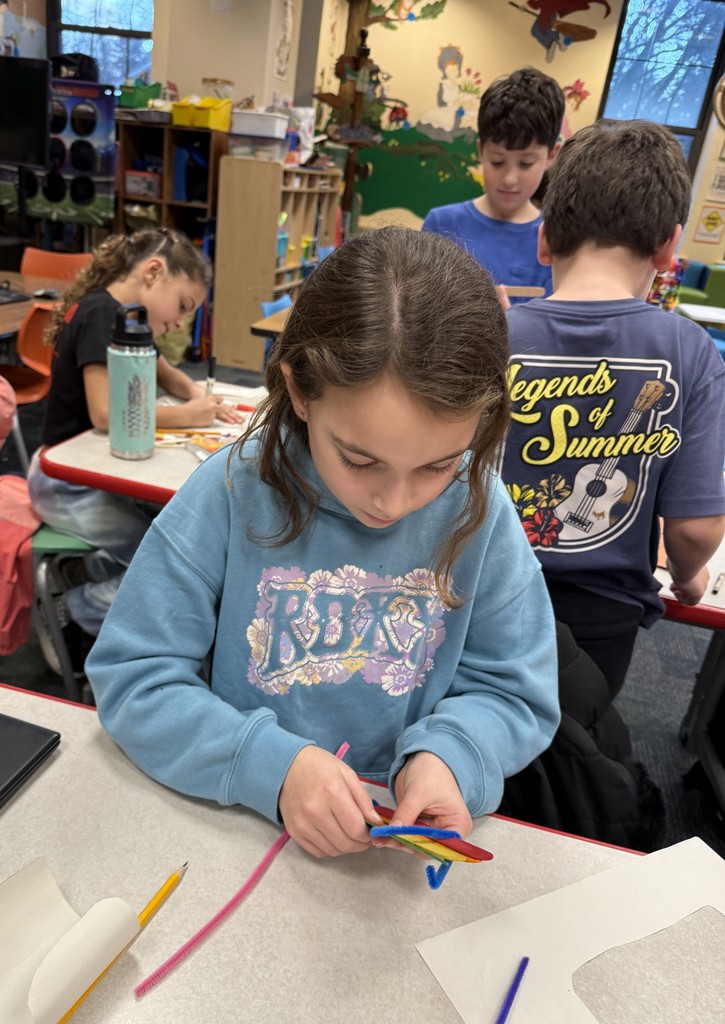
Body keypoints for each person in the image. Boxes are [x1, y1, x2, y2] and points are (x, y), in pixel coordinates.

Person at [86, 227, 560, 860]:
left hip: (391, 854)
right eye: (360, 461)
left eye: (437, 465)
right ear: (300, 390)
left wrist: (453, 756)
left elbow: (514, 691)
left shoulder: (481, 509)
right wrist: (272, 769)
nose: (392, 503)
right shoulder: (232, 490)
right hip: (238, 832)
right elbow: (133, 677)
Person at [501, 119, 725, 698]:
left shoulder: (491, 334)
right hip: (603, 619)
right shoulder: (690, 351)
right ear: (669, 246)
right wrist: (687, 577)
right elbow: (695, 529)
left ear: (544, 239)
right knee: (578, 765)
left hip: (483, 596)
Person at [28, 227, 244, 670]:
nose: (183, 322)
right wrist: (188, 416)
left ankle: (93, 584)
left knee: (169, 536)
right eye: (183, 306)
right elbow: (106, 414)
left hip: (92, 474)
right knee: (159, 560)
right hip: (66, 482)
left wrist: (202, 399)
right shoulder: (99, 314)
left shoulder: (129, 319)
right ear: (153, 271)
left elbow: (166, 373)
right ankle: (77, 609)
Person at [422, 66, 564, 301]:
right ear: (480, 151)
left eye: (526, 163)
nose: (509, 178)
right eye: (497, 162)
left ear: (551, 155)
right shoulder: (441, 224)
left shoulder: (555, 239)